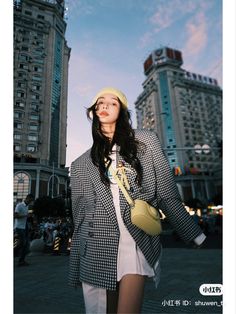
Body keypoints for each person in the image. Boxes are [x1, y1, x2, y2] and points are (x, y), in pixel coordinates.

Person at [68, 87, 206, 313]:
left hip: (134, 239)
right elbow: (80, 217)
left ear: (122, 111)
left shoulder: (145, 141)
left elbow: (165, 192)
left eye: (112, 103)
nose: (104, 105)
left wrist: (194, 234)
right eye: (99, 102)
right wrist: (76, 262)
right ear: (93, 112)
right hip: (96, 247)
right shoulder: (80, 163)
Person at [14, 194, 34, 266]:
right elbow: (15, 215)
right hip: (19, 227)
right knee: (23, 243)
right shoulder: (19, 205)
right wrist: (26, 215)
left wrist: (29, 220)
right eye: (30, 200)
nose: (31, 202)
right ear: (27, 198)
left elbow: (25, 218)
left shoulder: (27, 206)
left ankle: (21, 261)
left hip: (25, 226)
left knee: (26, 244)